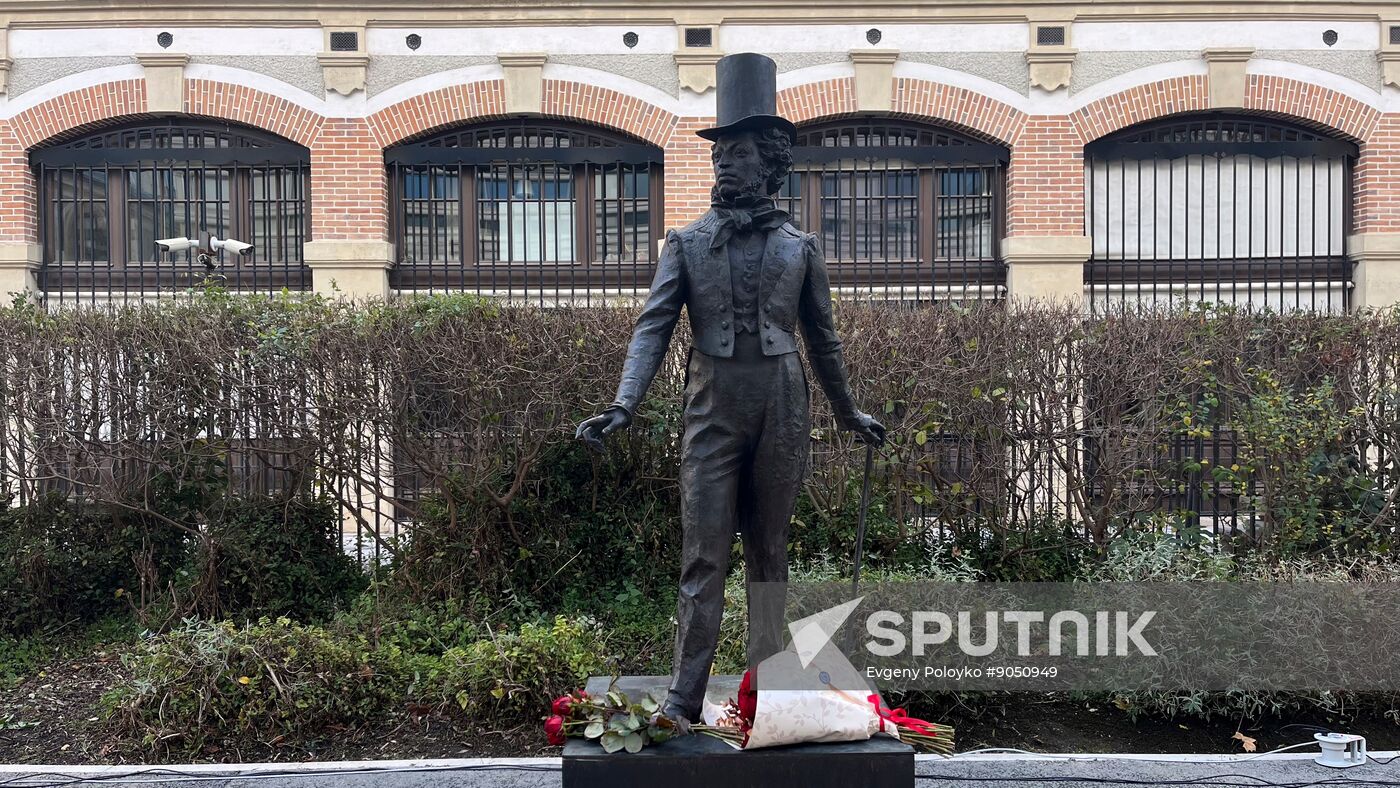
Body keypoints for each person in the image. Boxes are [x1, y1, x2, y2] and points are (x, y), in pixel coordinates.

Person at [575, 52, 884, 726]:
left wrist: (847, 410)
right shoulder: (684, 244)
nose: (726, 162)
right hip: (711, 408)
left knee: (769, 554)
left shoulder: (800, 248)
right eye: (722, 151)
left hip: (782, 403)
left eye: (740, 150)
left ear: (771, 163)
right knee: (703, 554)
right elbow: (651, 328)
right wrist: (624, 404)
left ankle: (765, 692)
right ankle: (686, 696)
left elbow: (823, 338)